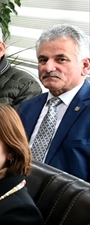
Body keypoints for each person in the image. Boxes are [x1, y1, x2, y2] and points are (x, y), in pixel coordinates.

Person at [17, 24, 90, 180]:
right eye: (43, 60)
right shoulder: (27, 107)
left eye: (61, 59)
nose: (48, 67)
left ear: (85, 66)